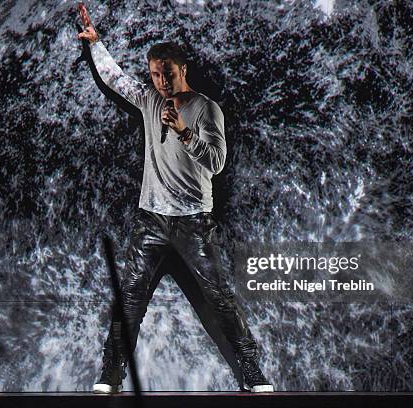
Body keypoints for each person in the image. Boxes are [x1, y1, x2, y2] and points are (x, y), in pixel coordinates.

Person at [76, 2, 273, 394]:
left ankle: (252, 371)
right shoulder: (149, 100)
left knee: (220, 299)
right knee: (128, 302)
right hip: (151, 222)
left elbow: (216, 162)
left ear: (181, 70)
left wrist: (184, 132)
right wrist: (96, 44)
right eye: (154, 75)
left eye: (166, 74)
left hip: (194, 223)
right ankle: (111, 374)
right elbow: (115, 79)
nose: (160, 81)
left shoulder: (206, 110)